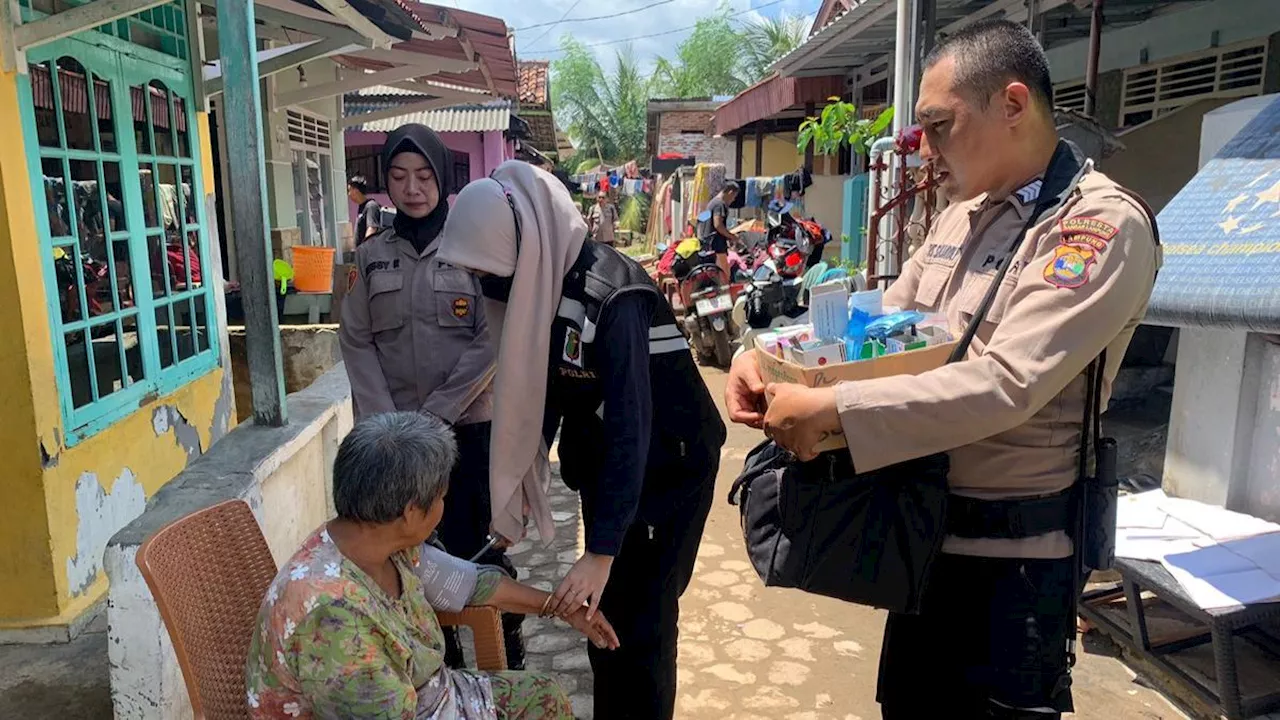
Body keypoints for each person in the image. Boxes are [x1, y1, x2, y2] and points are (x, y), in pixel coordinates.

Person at [724, 20, 1160, 720]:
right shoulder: (961, 217)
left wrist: (835, 414)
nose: (922, 146)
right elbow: (880, 328)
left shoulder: (1095, 229)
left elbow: (1005, 382)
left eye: (938, 125)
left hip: (1014, 569)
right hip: (921, 542)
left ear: (1013, 105)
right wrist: (769, 357)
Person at [436, 160, 727, 720]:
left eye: (492, 273)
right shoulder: (541, 285)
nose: (486, 287)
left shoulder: (611, 298)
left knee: (642, 622)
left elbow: (631, 428)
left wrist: (599, 552)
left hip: (667, 472)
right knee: (605, 616)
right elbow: (540, 393)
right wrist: (521, 480)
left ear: (526, 245)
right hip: (610, 469)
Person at [245, 412, 618, 720]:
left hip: (435, 699)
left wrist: (560, 608)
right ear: (410, 512)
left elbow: (469, 584)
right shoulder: (331, 616)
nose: (444, 506)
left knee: (545, 698)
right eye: (441, 496)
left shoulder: (382, 542)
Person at [337, 125, 526, 669]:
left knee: (480, 547)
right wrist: (384, 425)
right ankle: (443, 669)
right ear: (385, 184)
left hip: (467, 431)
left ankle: (504, 657)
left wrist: (436, 415)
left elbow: (490, 338)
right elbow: (357, 338)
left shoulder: (474, 247)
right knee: (411, 561)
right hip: (396, 444)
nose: (412, 188)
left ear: (442, 178)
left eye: (423, 176)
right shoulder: (371, 257)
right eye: (398, 177)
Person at [696, 181, 738, 280]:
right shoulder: (720, 204)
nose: (733, 200)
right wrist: (732, 236)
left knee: (715, 274)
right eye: (734, 196)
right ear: (730, 192)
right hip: (716, 244)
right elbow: (718, 224)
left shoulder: (712, 202)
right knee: (724, 274)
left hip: (709, 244)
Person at [347, 174, 382, 247]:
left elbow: (372, 228)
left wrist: (364, 250)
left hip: (369, 255)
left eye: (349, 190)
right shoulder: (362, 206)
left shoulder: (371, 206)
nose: (348, 194)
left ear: (356, 191)